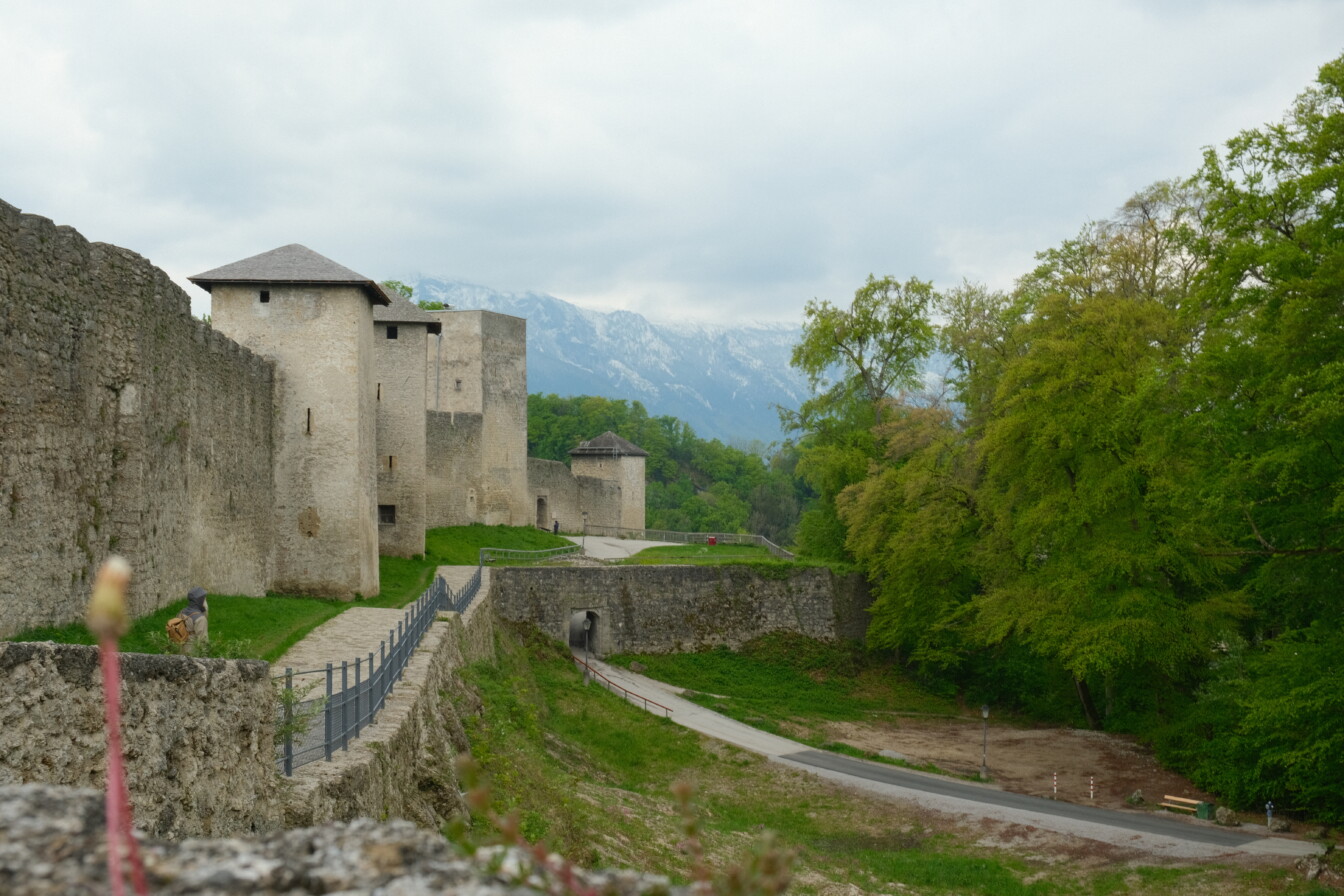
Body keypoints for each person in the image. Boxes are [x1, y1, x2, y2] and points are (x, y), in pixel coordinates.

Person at [175, 587, 209, 653]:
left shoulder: (181, 613)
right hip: (192, 653)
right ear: (200, 600)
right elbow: (203, 642)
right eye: (204, 599)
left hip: (179, 651)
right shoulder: (200, 619)